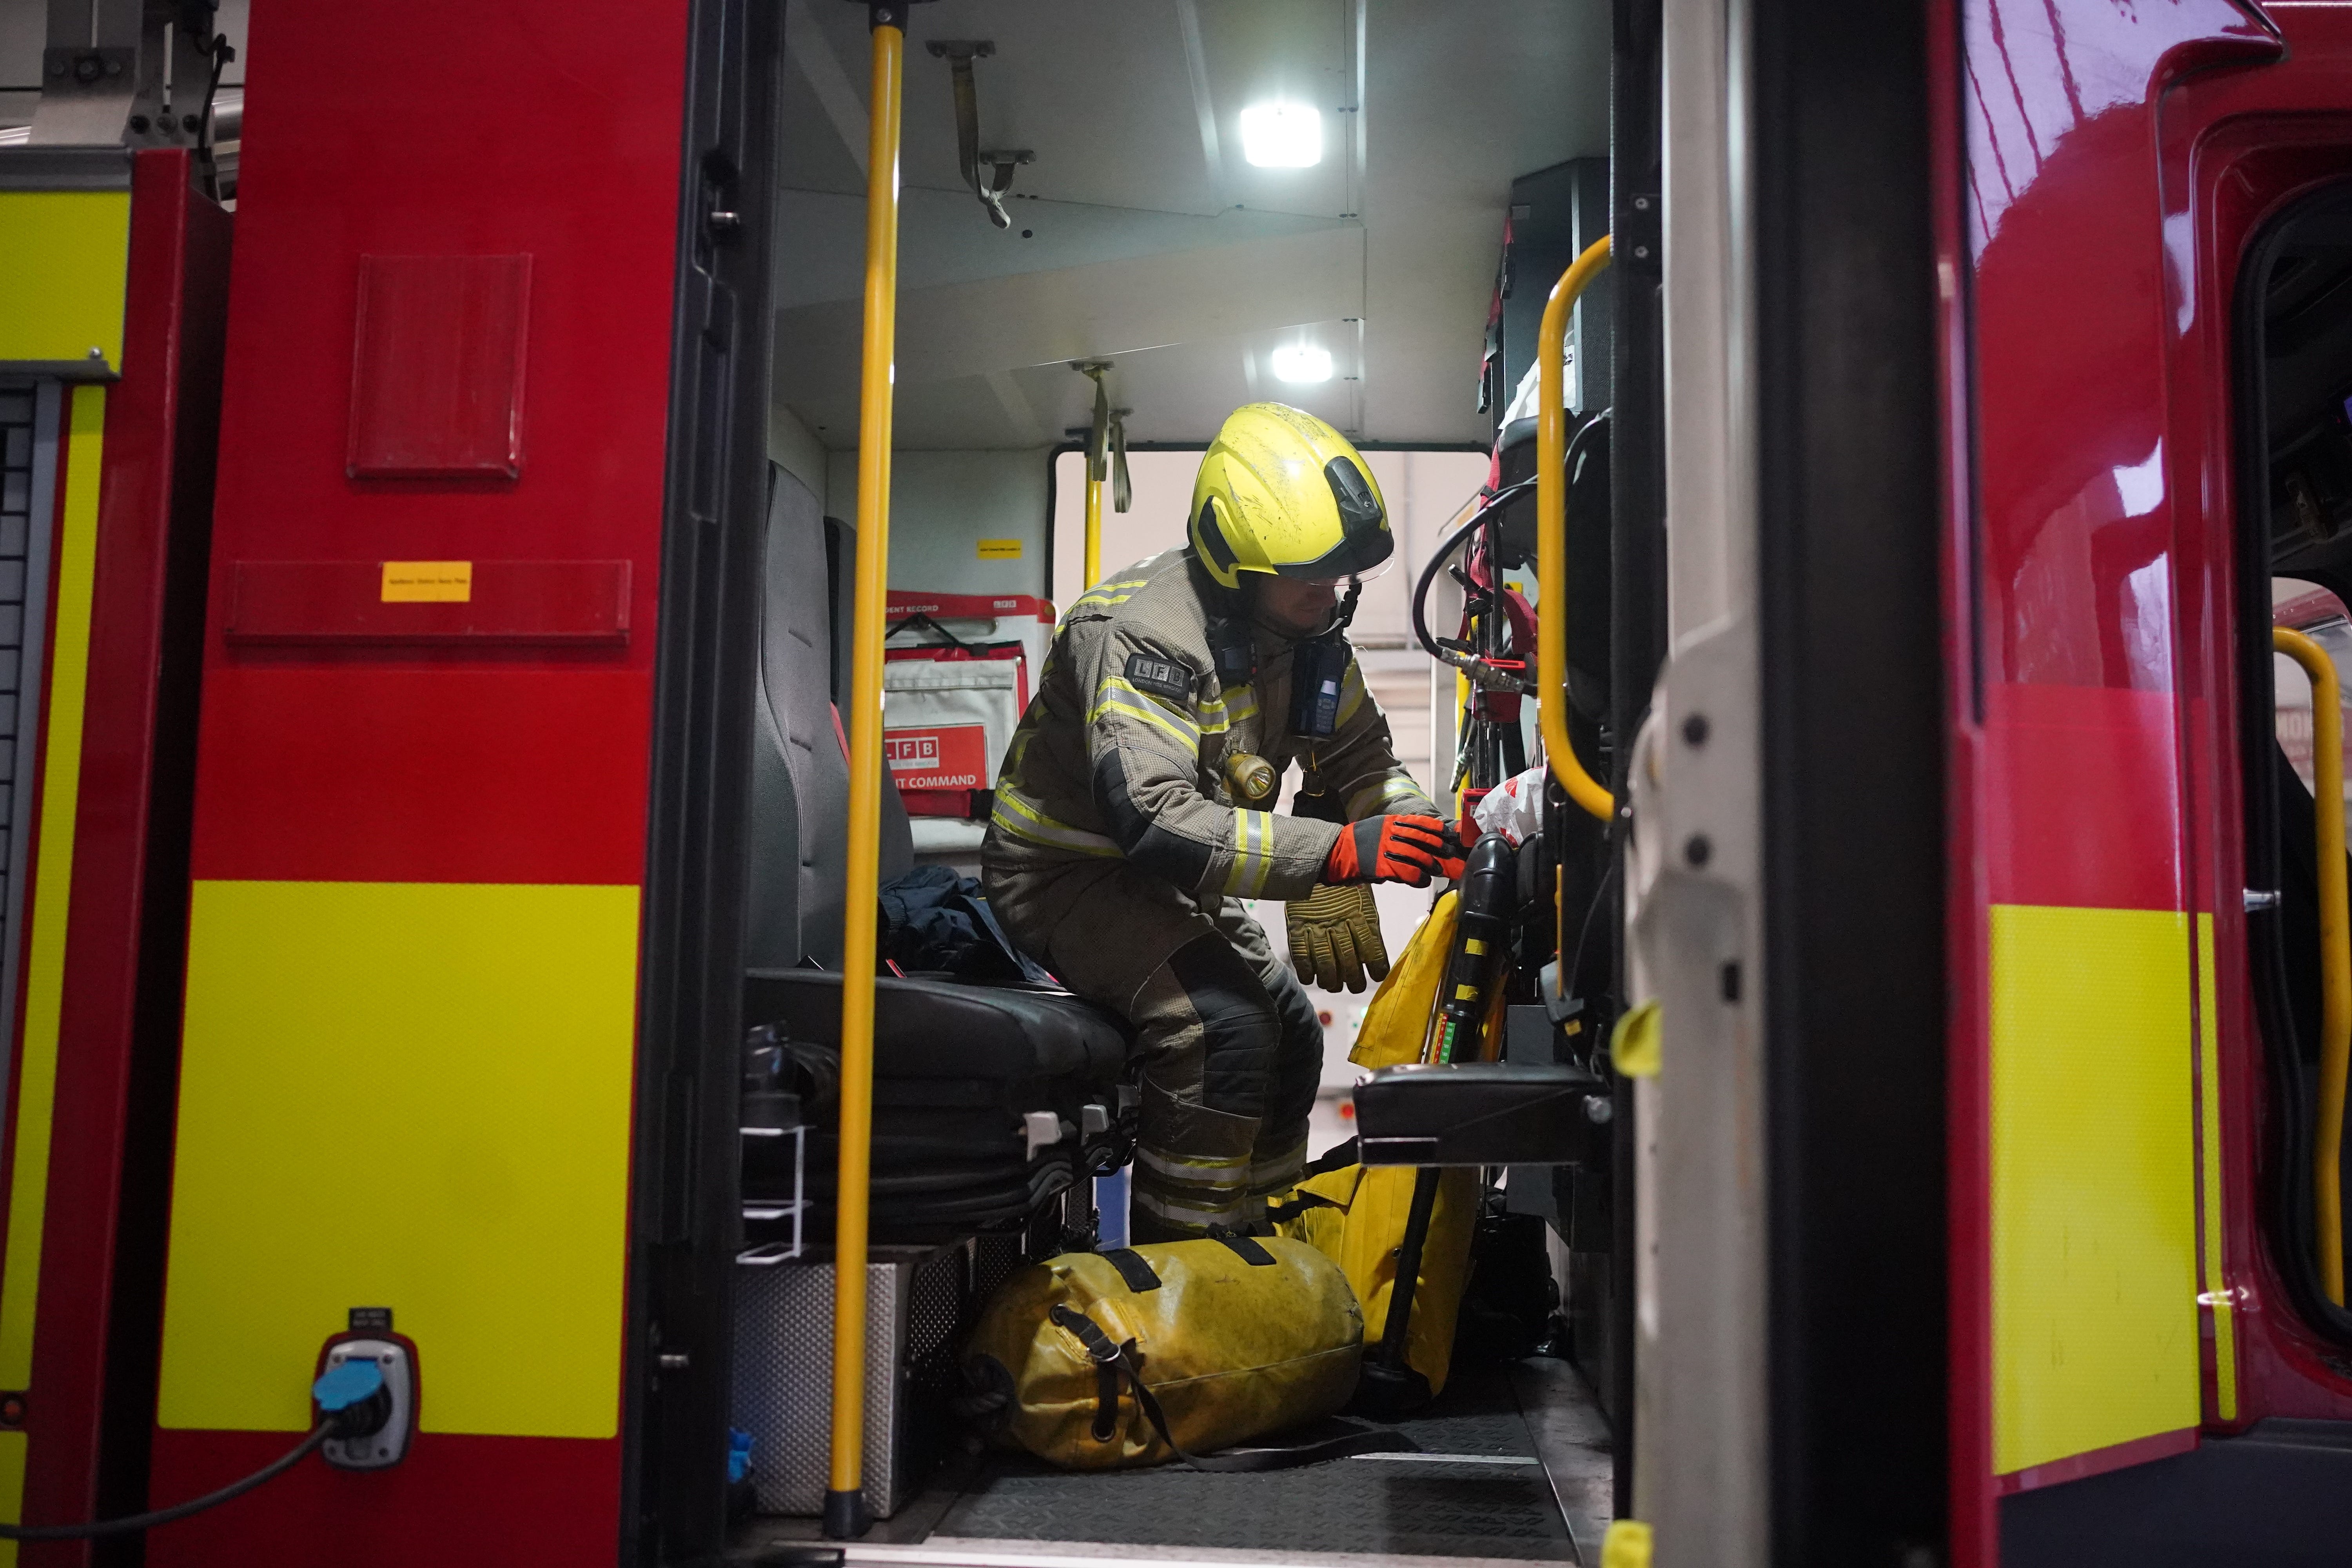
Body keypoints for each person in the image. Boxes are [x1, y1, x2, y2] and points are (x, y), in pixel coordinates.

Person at [982, 402, 1463, 1242]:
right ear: (1234, 562)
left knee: (1290, 1034)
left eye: (1345, 572)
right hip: (1066, 873)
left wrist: (1417, 828)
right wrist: (1337, 854)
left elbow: (1361, 766)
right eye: (1310, 572)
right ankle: (1187, 1277)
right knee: (1223, 1028)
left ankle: (1268, 1242)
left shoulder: (1307, 632)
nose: (1333, 590)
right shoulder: (1144, 634)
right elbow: (1156, 820)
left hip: (1170, 881)